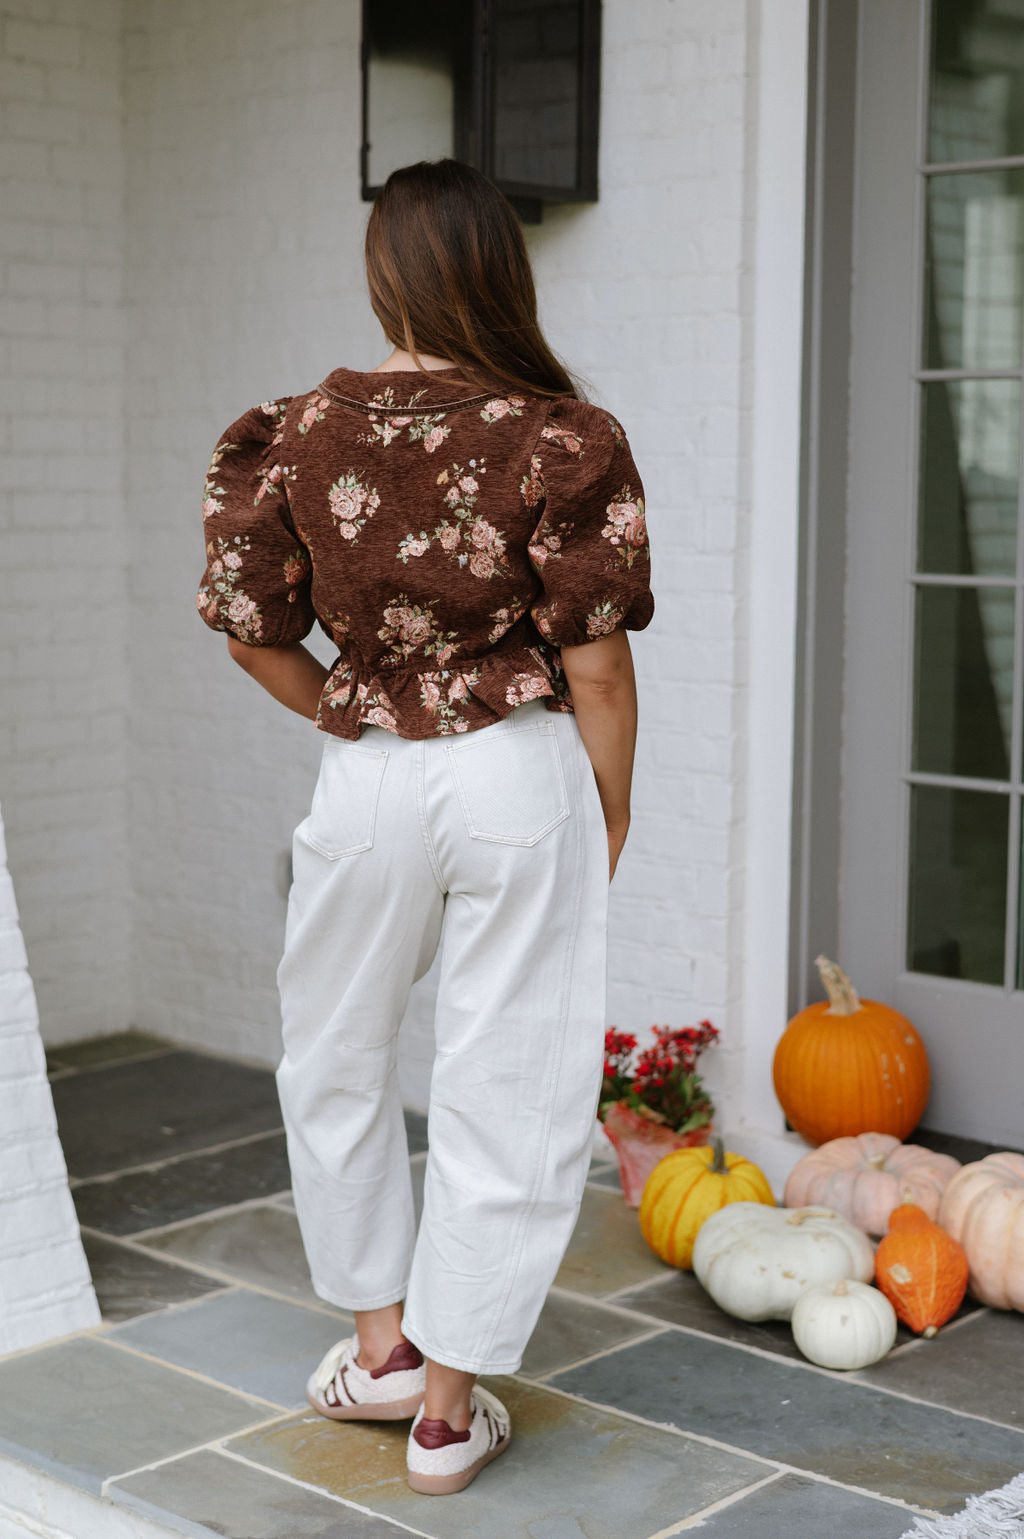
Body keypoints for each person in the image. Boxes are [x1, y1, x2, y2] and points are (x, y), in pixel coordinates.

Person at [196, 158, 654, 1495]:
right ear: (499, 272)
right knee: (507, 1071)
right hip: (519, 769)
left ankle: (378, 1346)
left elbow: (249, 635)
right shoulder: (562, 434)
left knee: (330, 1055)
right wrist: (607, 802)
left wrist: (364, 704)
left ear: (383, 274)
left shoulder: (291, 432)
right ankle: (447, 1416)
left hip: (370, 775)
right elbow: (601, 664)